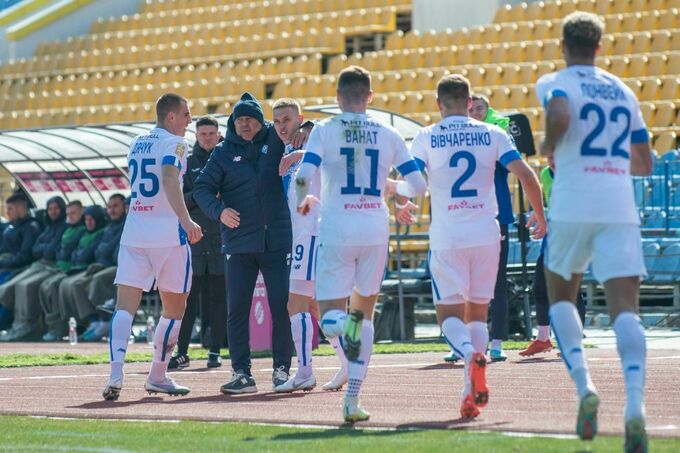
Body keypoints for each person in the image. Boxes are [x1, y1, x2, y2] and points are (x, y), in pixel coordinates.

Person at [535, 11, 652, 451]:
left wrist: (549, 145)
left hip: (572, 202)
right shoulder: (623, 90)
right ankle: (635, 407)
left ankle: (585, 386)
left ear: (564, 46)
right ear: (599, 47)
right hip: (618, 205)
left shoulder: (556, 81)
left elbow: (560, 113)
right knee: (626, 309)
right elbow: (645, 162)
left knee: (561, 296)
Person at [398, 74, 546, 420]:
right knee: (477, 314)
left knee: (449, 315)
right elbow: (527, 175)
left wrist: (402, 202)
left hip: (448, 235)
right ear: (469, 102)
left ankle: (469, 355)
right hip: (486, 233)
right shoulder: (493, 132)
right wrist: (541, 216)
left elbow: (413, 181)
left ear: (439, 104)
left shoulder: (426, 135)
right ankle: (470, 391)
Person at [295, 66, 427, 422]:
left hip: (338, 227)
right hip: (374, 229)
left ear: (338, 97)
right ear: (370, 96)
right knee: (364, 313)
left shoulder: (324, 130)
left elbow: (303, 175)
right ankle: (352, 399)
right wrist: (394, 188)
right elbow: (418, 185)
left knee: (330, 316)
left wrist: (302, 200)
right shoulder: (388, 132)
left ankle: (344, 327)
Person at [194, 92, 310, 394]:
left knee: (281, 306)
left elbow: (306, 130)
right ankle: (241, 373)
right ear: (233, 123)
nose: (245, 124)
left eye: (250, 119)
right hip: (238, 243)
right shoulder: (222, 152)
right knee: (237, 309)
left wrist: (308, 127)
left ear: (260, 121)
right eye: (240, 120)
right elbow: (201, 188)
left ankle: (282, 370)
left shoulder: (276, 139)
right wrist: (219, 211)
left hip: (277, 240)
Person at [103, 93, 202, 401]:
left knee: (124, 307)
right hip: (168, 236)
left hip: (135, 233)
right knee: (175, 308)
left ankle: (115, 374)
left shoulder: (137, 142)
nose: (189, 120)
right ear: (171, 116)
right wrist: (186, 220)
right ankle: (157, 375)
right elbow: (170, 179)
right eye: (186, 114)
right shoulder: (176, 143)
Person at [444, 94, 515, 363]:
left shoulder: (497, 135)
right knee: (462, 283)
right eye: (471, 109)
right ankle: (462, 343)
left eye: (480, 109)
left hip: (495, 215)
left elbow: (510, 165)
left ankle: (496, 342)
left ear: (488, 110)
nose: (474, 113)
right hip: (464, 216)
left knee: (497, 281)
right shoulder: (457, 138)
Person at [270, 98, 332, 393]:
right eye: (277, 121)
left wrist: (303, 148)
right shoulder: (285, 148)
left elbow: (331, 154)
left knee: (296, 304)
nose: (282, 126)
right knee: (317, 307)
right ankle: (350, 360)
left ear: (300, 118)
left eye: (287, 120)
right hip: (303, 236)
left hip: (312, 234)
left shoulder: (313, 137)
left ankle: (306, 371)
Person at [169, 115, 228, 370]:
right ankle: (181, 351)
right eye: (203, 134)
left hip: (221, 238)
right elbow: (178, 198)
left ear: (218, 134)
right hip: (194, 239)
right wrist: (203, 195)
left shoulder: (227, 160)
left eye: (211, 133)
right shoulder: (187, 162)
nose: (207, 138)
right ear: (196, 135)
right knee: (187, 299)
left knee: (219, 299)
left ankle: (215, 350)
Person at [520, 155, 586, 357]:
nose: (553, 161)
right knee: (540, 287)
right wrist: (538, 212)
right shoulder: (545, 175)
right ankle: (543, 339)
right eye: (549, 156)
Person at [59, 194, 126, 342]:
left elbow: (109, 251)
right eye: (109, 207)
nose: (112, 210)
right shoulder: (110, 227)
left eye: (116, 206)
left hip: (118, 266)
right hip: (101, 264)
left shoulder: (125, 225)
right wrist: (103, 250)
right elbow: (98, 251)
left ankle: (105, 321)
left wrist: (103, 250)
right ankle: (93, 322)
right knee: (76, 285)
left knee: (97, 280)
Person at [0, 196, 67, 341]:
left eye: (56, 208)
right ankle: (18, 324)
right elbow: (36, 249)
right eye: (50, 209)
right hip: (37, 264)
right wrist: (44, 248)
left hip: (48, 266)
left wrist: (43, 248)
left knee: (24, 285)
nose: (53, 212)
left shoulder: (33, 226)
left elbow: (39, 252)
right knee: (11, 287)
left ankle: (27, 325)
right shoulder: (48, 227)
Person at [40, 201, 85, 341]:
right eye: (68, 214)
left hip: (71, 269)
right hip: (60, 267)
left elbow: (66, 252)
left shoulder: (82, 229)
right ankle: (52, 326)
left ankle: (60, 328)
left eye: (74, 213)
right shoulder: (68, 230)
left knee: (54, 286)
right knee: (44, 286)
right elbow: (58, 250)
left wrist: (62, 252)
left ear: (82, 213)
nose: (70, 216)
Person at [0, 194, 42, 328]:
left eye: (10, 209)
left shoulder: (31, 227)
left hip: (20, 268)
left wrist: (3, 263)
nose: (7, 212)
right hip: (6, 264)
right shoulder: (11, 226)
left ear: (19, 208)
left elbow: (24, 257)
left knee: (4, 287)